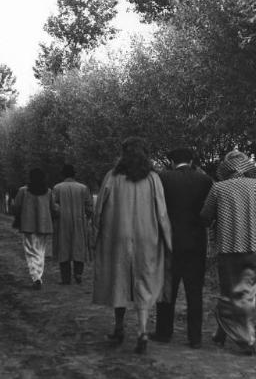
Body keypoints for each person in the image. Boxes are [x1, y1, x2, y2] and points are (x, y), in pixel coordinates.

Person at [92, 137, 172, 355]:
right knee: (143, 282)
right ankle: (142, 331)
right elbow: (162, 213)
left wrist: (95, 238)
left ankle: (119, 328)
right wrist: (169, 242)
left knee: (120, 280)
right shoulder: (153, 178)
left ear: (123, 154)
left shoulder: (112, 176)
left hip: (117, 237)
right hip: (148, 238)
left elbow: (98, 211)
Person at [200, 150, 256, 355]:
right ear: (246, 167)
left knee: (228, 292)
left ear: (225, 168)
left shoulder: (219, 188)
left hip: (229, 248)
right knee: (247, 292)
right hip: (254, 247)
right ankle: (222, 333)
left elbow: (206, 216)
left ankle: (246, 339)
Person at [151, 147, 213, 349]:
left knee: (168, 288)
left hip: (169, 241)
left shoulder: (162, 178)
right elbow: (209, 212)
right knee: (194, 291)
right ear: (192, 160)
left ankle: (163, 332)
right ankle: (195, 338)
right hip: (196, 241)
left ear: (171, 161)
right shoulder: (205, 180)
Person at [13, 168, 58, 290]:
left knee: (30, 251)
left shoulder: (23, 191)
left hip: (28, 225)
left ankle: (36, 277)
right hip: (44, 224)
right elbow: (54, 208)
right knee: (40, 251)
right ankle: (38, 275)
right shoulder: (48, 191)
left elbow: (16, 206)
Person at [53, 164, 93, 285]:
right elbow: (89, 206)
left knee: (63, 248)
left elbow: (53, 206)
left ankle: (66, 278)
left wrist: (58, 213)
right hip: (79, 221)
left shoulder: (57, 188)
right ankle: (78, 273)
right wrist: (88, 216)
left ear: (63, 174)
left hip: (62, 222)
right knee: (78, 247)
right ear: (74, 174)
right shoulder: (83, 188)